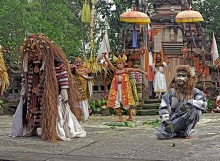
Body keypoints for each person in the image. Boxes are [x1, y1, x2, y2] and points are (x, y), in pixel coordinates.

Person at [10, 33, 86, 141]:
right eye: (31, 53)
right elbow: (24, 76)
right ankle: (33, 128)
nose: (33, 55)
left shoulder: (54, 62)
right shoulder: (28, 63)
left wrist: (64, 89)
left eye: (35, 52)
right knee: (31, 109)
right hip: (31, 92)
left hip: (47, 93)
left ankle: (49, 129)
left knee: (47, 110)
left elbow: (62, 74)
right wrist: (24, 87)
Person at [155, 65, 206, 140]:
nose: (180, 78)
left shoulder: (195, 92)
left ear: (189, 78)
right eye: (178, 75)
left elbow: (203, 103)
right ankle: (177, 132)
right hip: (174, 121)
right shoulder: (170, 92)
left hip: (187, 118)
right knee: (160, 134)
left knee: (196, 110)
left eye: (183, 76)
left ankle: (187, 131)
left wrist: (189, 103)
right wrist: (166, 121)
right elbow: (163, 107)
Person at [103, 52, 148, 122]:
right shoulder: (116, 71)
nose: (119, 65)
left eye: (120, 63)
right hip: (116, 89)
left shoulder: (126, 70)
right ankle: (120, 117)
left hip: (124, 89)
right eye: (118, 64)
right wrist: (105, 57)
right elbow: (110, 64)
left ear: (123, 64)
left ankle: (130, 116)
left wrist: (144, 73)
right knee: (115, 103)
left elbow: (136, 70)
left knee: (126, 104)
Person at [70, 57, 94, 121]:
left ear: (82, 63)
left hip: (84, 88)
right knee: (76, 102)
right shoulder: (73, 69)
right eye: (77, 62)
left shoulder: (86, 69)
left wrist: (88, 78)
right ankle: (76, 116)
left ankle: (84, 116)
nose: (78, 64)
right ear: (74, 63)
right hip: (75, 88)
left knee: (83, 102)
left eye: (79, 62)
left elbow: (92, 76)